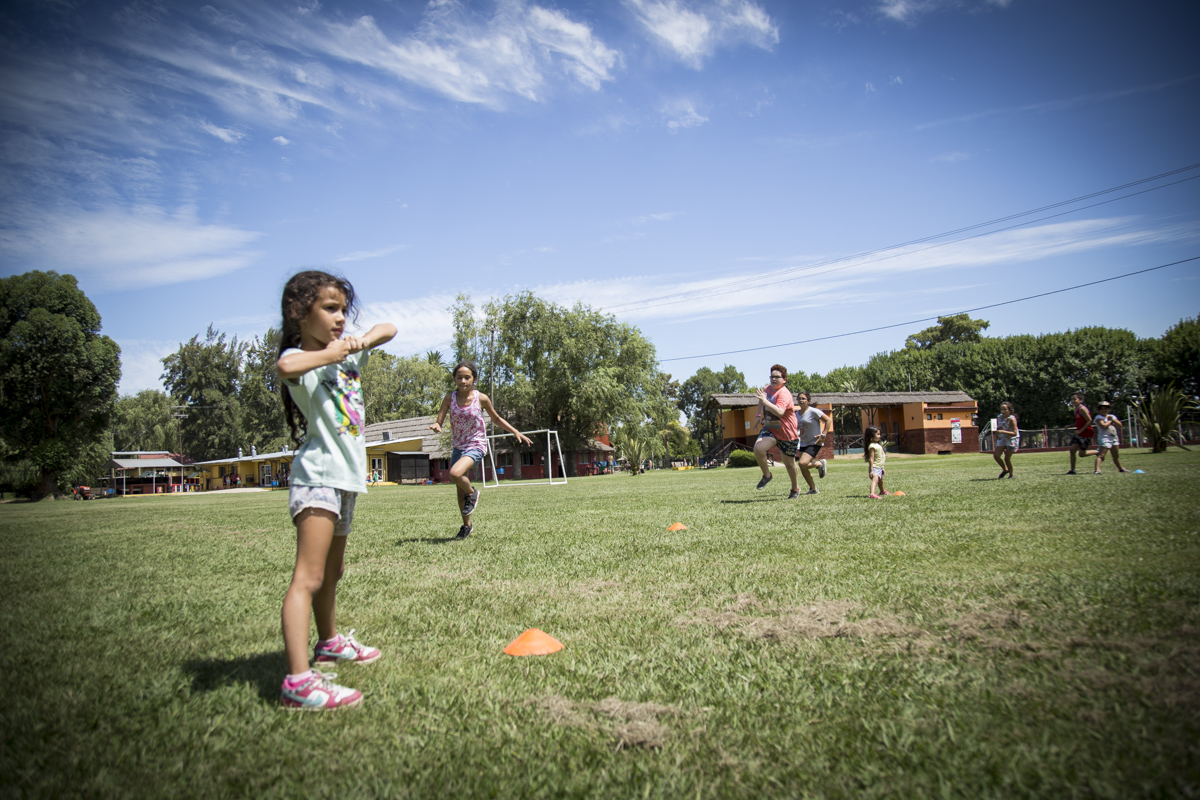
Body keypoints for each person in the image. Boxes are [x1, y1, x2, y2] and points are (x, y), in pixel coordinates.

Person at [276, 270, 397, 711]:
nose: (341, 317)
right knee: (308, 579)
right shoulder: (303, 361)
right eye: (330, 308)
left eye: (344, 309)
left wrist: (358, 342)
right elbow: (285, 366)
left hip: (346, 481)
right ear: (299, 313)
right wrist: (329, 352)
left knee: (333, 572)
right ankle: (298, 683)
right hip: (318, 478)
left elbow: (389, 328)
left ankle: (328, 643)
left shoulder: (347, 356)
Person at [429, 361, 532, 539]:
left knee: (454, 474)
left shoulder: (481, 398)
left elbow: (496, 418)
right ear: (454, 379)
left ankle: (473, 492)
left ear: (474, 379)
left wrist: (515, 431)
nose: (463, 381)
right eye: (459, 377)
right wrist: (437, 425)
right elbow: (440, 419)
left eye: (467, 377)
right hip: (458, 447)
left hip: (476, 445)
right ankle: (466, 526)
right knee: (459, 489)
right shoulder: (449, 398)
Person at [752, 365, 802, 499]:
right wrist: (758, 416)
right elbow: (761, 401)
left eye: (777, 377)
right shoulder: (768, 389)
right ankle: (767, 475)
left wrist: (765, 401)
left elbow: (780, 412)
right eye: (772, 376)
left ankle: (795, 488)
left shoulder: (784, 394)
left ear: (784, 379)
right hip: (771, 429)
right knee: (758, 448)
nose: (773, 379)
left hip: (787, 433)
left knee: (789, 464)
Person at [794, 390, 832, 494]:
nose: (801, 400)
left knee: (802, 463)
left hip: (815, 442)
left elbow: (828, 420)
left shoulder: (813, 411)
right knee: (803, 467)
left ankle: (819, 463)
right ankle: (813, 489)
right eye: (799, 399)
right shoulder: (796, 414)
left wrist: (823, 434)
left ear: (808, 401)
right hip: (803, 442)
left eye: (803, 398)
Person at [1092, 401, 1130, 473]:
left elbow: (1120, 425)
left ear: (1109, 410)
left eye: (1106, 409)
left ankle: (1121, 468)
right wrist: (1110, 421)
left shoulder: (1112, 416)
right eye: (1102, 409)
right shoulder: (1098, 417)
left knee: (1116, 456)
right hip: (1105, 438)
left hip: (1114, 437)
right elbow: (1103, 426)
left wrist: (1113, 420)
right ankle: (1097, 470)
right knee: (1101, 455)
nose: (1104, 410)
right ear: (1099, 410)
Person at [1067, 392, 1093, 474]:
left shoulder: (1082, 409)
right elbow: (1079, 423)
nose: (1072, 401)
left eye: (1074, 399)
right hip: (1079, 433)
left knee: (1081, 454)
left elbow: (1089, 420)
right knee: (1072, 450)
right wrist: (1070, 426)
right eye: (1072, 399)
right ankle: (1072, 470)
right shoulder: (1076, 410)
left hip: (1085, 433)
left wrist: (1080, 431)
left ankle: (1097, 452)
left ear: (1080, 400)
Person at [993, 401, 1019, 478]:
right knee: (996, 455)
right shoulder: (999, 417)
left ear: (1009, 410)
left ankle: (1011, 475)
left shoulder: (1012, 419)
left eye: (1005, 409)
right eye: (1001, 409)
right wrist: (997, 437)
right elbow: (998, 428)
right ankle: (1005, 470)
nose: (1003, 411)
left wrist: (1003, 431)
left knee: (1007, 458)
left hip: (1011, 439)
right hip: (1002, 439)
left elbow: (1015, 433)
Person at [864, 425, 891, 499]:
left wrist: (882, 468)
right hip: (875, 467)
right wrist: (871, 470)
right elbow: (871, 459)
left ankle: (882, 491)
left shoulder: (877, 445)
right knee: (875, 480)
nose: (880, 436)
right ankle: (872, 494)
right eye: (878, 434)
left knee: (881, 480)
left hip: (879, 467)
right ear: (871, 436)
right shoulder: (872, 446)